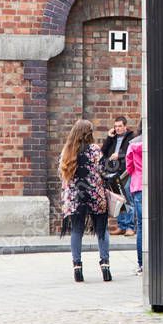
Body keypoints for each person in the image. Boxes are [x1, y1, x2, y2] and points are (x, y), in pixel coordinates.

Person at [59, 119, 112, 282]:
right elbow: (104, 170)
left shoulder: (67, 151)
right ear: (89, 133)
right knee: (102, 230)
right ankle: (105, 267)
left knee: (76, 231)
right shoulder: (95, 150)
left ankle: (77, 268)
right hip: (95, 194)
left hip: (75, 198)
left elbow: (62, 175)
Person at [102, 116, 137, 236]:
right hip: (114, 172)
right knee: (118, 199)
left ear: (125, 126)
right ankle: (121, 226)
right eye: (115, 126)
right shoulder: (113, 138)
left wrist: (120, 155)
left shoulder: (131, 137)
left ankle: (130, 227)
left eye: (120, 126)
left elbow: (130, 152)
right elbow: (103, 151)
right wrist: (108, 137)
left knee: (127, 198)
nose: (117, 129)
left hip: (126, 172)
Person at [125, 120, 144, 275]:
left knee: (141, 227)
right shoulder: (155, 142)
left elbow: (129, 167)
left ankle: (141, 264)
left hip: (138, 186)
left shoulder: (133, 144)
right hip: (154, 185)